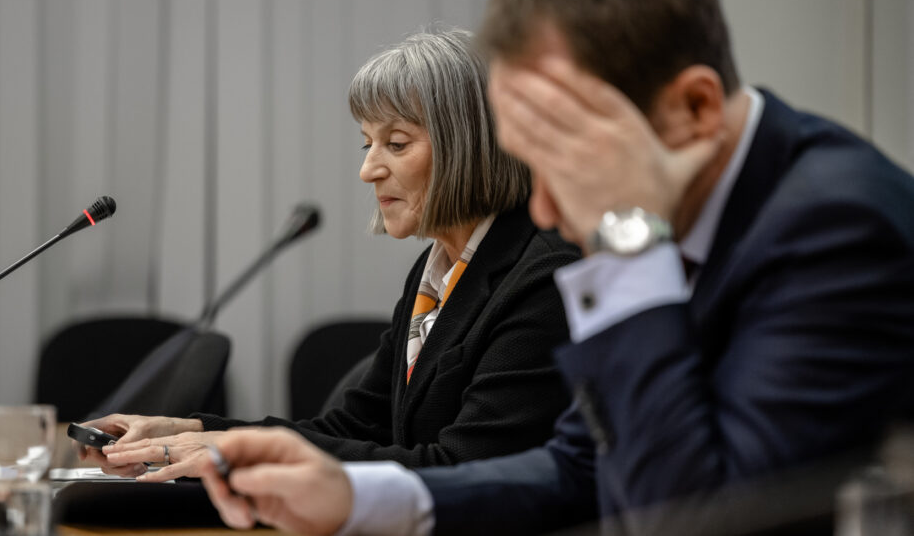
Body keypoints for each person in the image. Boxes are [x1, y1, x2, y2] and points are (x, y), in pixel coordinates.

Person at [196, 0, 914, 535]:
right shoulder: (677, 213)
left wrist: (627, 242)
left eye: (563, 161)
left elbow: (689, 518)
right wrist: (360, 498)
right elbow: (580, 465)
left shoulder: (835, 229)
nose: (540, 211)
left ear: (694, 109)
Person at [78, 28, 580, 481]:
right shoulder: (437, 271)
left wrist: (232, 449)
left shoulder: (543, 277)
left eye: (396, 143)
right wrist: (189, 430)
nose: (368, 170)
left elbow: (465, 469)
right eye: (367, 144)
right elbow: (354, 428)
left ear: (468, 145)